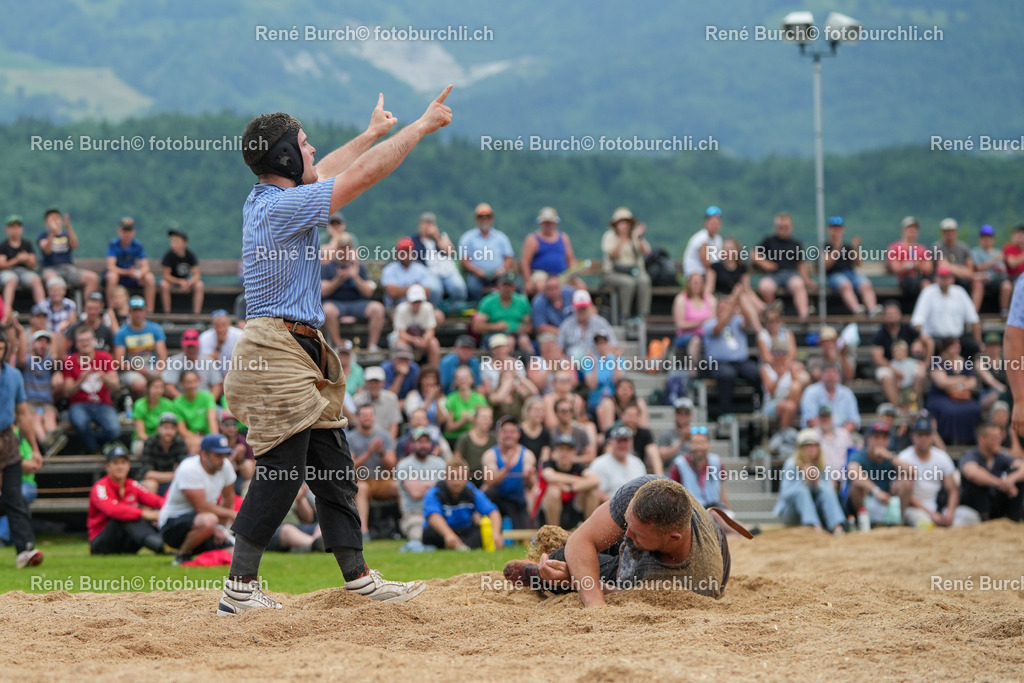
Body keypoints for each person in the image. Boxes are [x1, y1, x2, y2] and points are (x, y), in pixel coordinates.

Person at [219, 89, 451, 613]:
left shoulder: (271, 199)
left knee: (333, 467)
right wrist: (418, 126)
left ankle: (358, 577)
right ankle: (239, 589)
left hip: (295, 348)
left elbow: (326, 169)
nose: (311, 150)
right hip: (277, 349)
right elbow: (358, 177)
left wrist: (372, 133)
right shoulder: (281, 207)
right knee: (283, 469)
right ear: (283, 157)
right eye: (303, 143)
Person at [503, 475, 743, 605]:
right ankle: (588, 544)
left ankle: (543, 578)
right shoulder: (648, 491)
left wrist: (572, 580)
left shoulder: (691, 586)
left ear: (673, 537)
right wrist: (594, 605)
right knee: (589, 545)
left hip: (652, 572)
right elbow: (584, 541)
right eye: (630, 526)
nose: (627, 535)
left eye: (636, 533)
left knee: (562, 560)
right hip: (650, 540)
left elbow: (620, 596)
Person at [158, 433, 237, 565]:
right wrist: (231, 515)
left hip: (206, 522)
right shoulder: (189, 468)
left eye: (224, 455)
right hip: (172, 524)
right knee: (208, 520)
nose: (222, 459)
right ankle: (183, 555)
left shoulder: (225, 466)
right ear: (204, 455)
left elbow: (229, 498)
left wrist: (220, 528)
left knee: (236, 554)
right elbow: (201, 506)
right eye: (218, 455)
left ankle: (204, 553)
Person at [0, 333, 44, 568]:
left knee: (14, 497)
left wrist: (34, 447)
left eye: (1, 348)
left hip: (7, 439)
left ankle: (25, 550)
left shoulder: (14, 375)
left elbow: (23, 414)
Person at [897, 417, 976, 528]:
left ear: (932, 436)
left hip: (939, 507)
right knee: (924, 524)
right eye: (920, 435)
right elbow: (907, 493)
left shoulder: (941, 457)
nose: (923, 439)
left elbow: (953, 489)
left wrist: (950, 512)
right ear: (913, 436)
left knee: (971, 516)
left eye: (927, 434)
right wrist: (931, 514)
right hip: (916, 509)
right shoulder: (904, 457)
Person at [88, 444, 165, 555]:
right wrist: (144, 513)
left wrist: (165, 512)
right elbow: (113, 510)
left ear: (128, 466)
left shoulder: (132, 484)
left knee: (141, 518)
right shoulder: (100, 487)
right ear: (107, 467)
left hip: (127, 540)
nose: (120, 467)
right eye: (115, 463)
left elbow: (156, 500)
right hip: (103, 542)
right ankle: (160, 546)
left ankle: (166, 543)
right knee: (123, 517)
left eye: (123, 463)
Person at [423, 456, 504, 550]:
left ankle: (461, 546)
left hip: (464, 530)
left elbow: (493, 511)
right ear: (445, 477)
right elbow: (433, 516)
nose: (456, 482)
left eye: (460, 477)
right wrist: (448, 535)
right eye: (452, 477)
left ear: (466, 477)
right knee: (430, 533)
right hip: (443, 531)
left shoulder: (472, 491)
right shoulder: (435, 492)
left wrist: (496, 534)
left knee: (481, 531)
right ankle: (460, 546)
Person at [63, 326, 121, 454]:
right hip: (79, 404)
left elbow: (116, 386)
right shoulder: (70, 361)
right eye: (82, 341)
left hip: (103, 404)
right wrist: (80, 380)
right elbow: (67, 392)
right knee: (81, 424)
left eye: (88, 340)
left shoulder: (105, 357)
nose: (85, 344)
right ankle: (95, 450)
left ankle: (92, 447)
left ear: (94, 341)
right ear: (76, 344)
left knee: (114, 429)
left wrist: (104, 377)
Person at [773, 429, 845, 534]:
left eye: (814, 446)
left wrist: (817, 482)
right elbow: (785, 494)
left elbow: (830, 491)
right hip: (791, 513)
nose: (811, 449)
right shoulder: (791, 464)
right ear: (800, 449)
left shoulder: (823, 464)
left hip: (816, 510)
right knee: (801, 491)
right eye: (807, 446)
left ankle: (837, 526)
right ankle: (813, 527)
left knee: (827, 492)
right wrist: (804, 481)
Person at [701, 295, 762, 417]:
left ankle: (759, 404)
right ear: (717, 310)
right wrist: (732, 305)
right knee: (727, 375)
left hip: (740, 362)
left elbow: (749, 320)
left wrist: (741, 300)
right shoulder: (709, 324)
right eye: (722, 308)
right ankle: (724, 412)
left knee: (755, 372)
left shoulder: (738, 321)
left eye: (727, 308)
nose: (725, 311)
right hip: (717, 363)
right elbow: (718, 329)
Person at [320, 235, 385, 351]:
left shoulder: (359, 267)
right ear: (337, 250)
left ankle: (372, 345)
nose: (344, 252)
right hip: (335, 303)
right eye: (342, 248)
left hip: (357, 303)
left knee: (378, 308)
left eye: (347, 248)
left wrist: (355, 277)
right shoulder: (328, 267)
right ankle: (338, 344)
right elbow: (323, 291)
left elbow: (368, 293)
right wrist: (339, 279)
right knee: (327, 310)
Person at [348, 403, 398, 543]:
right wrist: (369, 453)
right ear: (358, 418)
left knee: (399, 486)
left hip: (382, 479)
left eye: (369, 415)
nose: (367, 418)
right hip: (362, 480)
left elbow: (392, 466)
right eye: (363, 415)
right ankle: (364, 531)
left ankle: (403, 526)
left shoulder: (384, 436)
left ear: (374, 417)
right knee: (361, 488)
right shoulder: (350, 438)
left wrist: (381, 452)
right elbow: (350, 467)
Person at [845, 422, 914, 524]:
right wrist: (876, 491)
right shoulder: (860, 455)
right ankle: (864, 522)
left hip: (887, 500)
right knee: (856, 486)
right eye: (876, 438)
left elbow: (912, 472)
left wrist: (890, 457)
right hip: (867, 499)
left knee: (906, 482)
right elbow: (853, 472)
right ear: (869, 439)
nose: (880, 442)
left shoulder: (890, 456)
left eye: (884, 438)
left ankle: (898, 521)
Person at [753, 212, 815, 319]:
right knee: (765, 287)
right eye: (780, 227)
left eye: (785, 227)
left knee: (798, 285)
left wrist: (806, 280)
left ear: (791, 227)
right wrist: (765, 263)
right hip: (773, 275)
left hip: (791, 274)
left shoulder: (796, 244)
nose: (782, 230)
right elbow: (754, 253)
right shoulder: (769, 240)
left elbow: (801, 264)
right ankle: (772, 314)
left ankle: (804, 314)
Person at [959, 422, 1024, 523]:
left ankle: (1014, 519)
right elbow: (972, 473)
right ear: (982, 440)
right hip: (974, 509)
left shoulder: (1000, 456)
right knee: (980, 481)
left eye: (999, 437)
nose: (999, 441)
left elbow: (1022, 467)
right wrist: (1001, 483)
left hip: (997, 508)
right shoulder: (971, 455)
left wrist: (1011, 480)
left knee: (1015, 473)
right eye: (994, 438)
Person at [480, 417, 537, 529]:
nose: (508, 435)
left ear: (518, 434)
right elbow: (489, 482)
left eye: (512, 432)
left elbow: (530, 486)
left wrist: (529, 477)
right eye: (505, 432)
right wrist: (507, 468)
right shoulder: (490, 454)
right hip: (496, 499)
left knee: (532, 494)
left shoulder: (527, 455)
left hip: (516, 500)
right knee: (486, 492)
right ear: (499, 434)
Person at [396, 427, 447, 546]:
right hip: (415, 514)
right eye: (420, 442)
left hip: (439, 513)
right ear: (412, 444)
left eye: (426, 442)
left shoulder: (440, 463)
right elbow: (416, 493)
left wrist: (422, 484)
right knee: (421, 539)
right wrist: (437, 484)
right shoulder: (404, 465)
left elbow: (446, 488)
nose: (424, 445)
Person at [925, 337, 982, 445]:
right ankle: (949, 440)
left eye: (958, 346)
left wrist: (957, 387)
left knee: (974, 409)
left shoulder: (964, 361)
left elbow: (973, 382)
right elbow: (942, 382)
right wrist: (962, 379)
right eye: (953, 346)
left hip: (962, 397)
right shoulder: (938, 361)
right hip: (940, 397)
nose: (956, 348)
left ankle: (968, 440)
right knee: (949, 411)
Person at [536, 433, 600, 528]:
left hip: (573, 509)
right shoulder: (548, 464)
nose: (564, 453)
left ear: (574, 452)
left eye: (568, 450)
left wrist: (571, 488)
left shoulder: (578, 467)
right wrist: (580, 481)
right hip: (548, 513)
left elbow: (596, 480)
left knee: (592, 492)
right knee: (553, 491)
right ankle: (553, 534)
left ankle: (589, 531)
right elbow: (551, 477)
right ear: (556, 451)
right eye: (561, 449)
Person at [871, 300, 926, 409]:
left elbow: (927, 341)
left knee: (920, 373)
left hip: (908, 363)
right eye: (889, 314)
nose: (891, 316)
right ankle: (897, 408)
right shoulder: (880, 334)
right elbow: (877, 358)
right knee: (885, 376)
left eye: (894, 313)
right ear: (884, 316)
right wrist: (894, 370)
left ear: (900, 314)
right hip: (889, 365)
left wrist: (925, 359)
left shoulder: (907, 329)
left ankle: (913, 406)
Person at [601, 206, 652, 319]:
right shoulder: (609, 236)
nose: (624, 225)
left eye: (626, 222)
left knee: (644, 280)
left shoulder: (635, 236)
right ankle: (624, 315)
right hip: (613, 273)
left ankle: (643, 315)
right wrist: (621, 238)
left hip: (633, 272)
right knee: (628, 283)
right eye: (621, 222)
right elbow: (613, 255)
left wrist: (640, 237)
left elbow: (646, 252)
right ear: (616, 224)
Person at [823, 216, 881, 315]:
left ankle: (872, 310)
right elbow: (825, 265)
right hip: (834, 275)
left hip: (851, 273)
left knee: (865, 284)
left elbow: (859, 263)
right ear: (829, 230)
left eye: (838, 228)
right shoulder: (825, 246)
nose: (836, 231)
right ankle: (856, 309)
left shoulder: (848, 247)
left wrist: (855, 248)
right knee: (845, 284)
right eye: (834, 228)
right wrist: (836, 249)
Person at [459, 202, 516, 302]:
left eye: (487, 217)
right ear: (476, 220)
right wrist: (478, 271)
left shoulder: (501, 237)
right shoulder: (467, 238)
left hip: (499, 274)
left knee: (513, 286)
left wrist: (502, 270)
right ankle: (478, 310)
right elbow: (465, 260)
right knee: (473, 287)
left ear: (492, 219)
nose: (484, 220)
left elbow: (509, 257)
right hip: (477, 275)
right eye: (481, 217)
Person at [410, 211, 467, 310]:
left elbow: (450, 251)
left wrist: (436, 237)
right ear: (420, 225)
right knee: (435, 290)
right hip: (429, 271)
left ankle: (456, 310)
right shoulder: (414, 240)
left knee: (459, 287)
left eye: (431, 223)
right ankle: (436, 311)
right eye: (426, 223)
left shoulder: (442, 237)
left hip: (448, 271)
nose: (429, 226)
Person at [113, 295, 168, 398]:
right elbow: (118, 362)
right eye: (134, 311)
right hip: (131, 370)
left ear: (145, 312)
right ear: (129, 312)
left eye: (140, 310)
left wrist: (157, 372)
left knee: (167, 382)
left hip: (153, 367)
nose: (137, 314)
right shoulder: (121, 333)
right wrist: (136, 367)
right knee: (140, 385)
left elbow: (162, 355)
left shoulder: (156, 329)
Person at [37, 208, 99, 298]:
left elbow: (75, 245)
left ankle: (89, 308)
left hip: (68, 268)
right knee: (55, 283)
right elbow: (47, 250)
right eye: (51, 219)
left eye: (57, 218)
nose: (55, 222)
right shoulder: (43, 236)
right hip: (51, 269)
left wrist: (68, 227)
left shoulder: (66, 235)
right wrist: (52, 233)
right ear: (46, 223)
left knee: (93, 278)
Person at [669, 426, 731, 514]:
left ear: (709, 444)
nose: (699, 447)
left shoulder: (716, 462)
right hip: (691, 511)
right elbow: (674, 494)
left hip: (715, 508)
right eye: (695, 443)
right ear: (689, 444)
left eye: (702, 443)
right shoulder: (679, 464)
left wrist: (728, 511)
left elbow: (722, 491)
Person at [521, 207, 579, 297]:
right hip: (541, 275)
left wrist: (572, 273)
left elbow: (570, 259)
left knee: (580, 286)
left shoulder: (563, 238)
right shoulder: (532, 239)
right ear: (541, 223)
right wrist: (528, 281)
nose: (548, 225)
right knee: (542, 286)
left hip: (561, 275)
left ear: (555, 223)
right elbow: (525, 262)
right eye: (545, 223)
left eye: (550, 223)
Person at [472, 272, 533, 354]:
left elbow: (529, 326)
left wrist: (522, 330)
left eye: (510, 286)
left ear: (514, 287)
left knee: (524, 341)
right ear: (498, 286)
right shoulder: (488, 301)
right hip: (494, 334)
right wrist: (495, 326)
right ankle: (507, 365)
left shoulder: (522, 301)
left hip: (517, 335)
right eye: (505, 285)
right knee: (509, 341)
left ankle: (531, 363)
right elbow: (476, 327)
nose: (507, 289)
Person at [705, 236, 763, 321]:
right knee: (743, 299)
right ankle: (764, 312)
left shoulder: (742, 268)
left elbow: (747, 289)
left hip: (738, 299)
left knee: (744, 297)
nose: (728, 252)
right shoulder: (715, 267)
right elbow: (709, 288)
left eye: (731, 249)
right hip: (720, 298)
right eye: (726, 249)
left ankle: (763, 309)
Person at [105, 217, 156, 312]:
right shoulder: (114, 244)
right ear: (119, 231)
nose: (127, 234)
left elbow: (145, 266)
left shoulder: (138, 245)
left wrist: (139, 273)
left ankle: (149, 311)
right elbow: (111, 267)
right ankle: (110, 309)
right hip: (120, 275)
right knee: (112, 276)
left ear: (133, 232)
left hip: (132, 276)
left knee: (149, 278)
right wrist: (127, 272)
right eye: (124, 231)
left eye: (129, 231)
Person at [1, 215, 44, 322]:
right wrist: (17, 259)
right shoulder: (3, 245)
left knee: (36, 280)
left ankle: (43, 309)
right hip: (8, 271)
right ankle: (7, 309)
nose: (15, 230)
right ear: (7, 229)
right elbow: (1, 265)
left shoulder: (27, 244)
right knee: (11, 280)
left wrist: (26, 259)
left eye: (17, 227)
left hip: (25, 271)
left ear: (21, 229)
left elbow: (32, 263)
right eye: (12, 227)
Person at [588, 425, 648, 503]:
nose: (623, 445)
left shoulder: (637, 463)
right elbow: (598, 495)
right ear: (611, 442)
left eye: (625, 441)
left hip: (637, 507)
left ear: (631, 442)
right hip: (609, 508)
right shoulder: (599, 463)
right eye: (619, 441)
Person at [886, 216, 934, 305]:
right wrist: (913, 265)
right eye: (909, 228)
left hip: (921, 278)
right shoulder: (895, 247)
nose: (912, 231)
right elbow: (896, 268)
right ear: (903, 231)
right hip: (905, 279)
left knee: (929, 283)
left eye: (915, 229)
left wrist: (910, 265)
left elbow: (929, 268)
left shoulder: (922, 249)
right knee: (925, 285)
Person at [163, 328, 223, 400]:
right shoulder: (174, 361)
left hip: (204, 402)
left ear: (198, 346)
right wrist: (184, 402)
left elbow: (217, 385)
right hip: (182, 401)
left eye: (193, 347)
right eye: (189, 347)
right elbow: (169, 386)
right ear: (183, 346)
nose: (191, 350)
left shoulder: (209, 361)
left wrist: (209, 403)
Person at [557, 290, 616, 361]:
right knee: (574, 352)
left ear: (590, 307)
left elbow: (613, 346)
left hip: (597, 364)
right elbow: (559, 349)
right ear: (574, 308)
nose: (582, 311)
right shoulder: (566, 325)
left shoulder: (601, 323)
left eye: (584, 308)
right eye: (579, 308)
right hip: (573, 366)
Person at [391, 284, 441, 367]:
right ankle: (404, 372)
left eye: (419, 301)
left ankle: (434, 371)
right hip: (405, 339)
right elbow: (401, 333)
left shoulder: (428, 307)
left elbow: (430, 330)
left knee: (434, 343)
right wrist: (414, 340)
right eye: (414, 302)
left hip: (420, 339)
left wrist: (425, 339)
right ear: (408, 301)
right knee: (401, 345)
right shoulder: (401, 309)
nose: (416, 304)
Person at [800, 363, 860, 432]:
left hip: (844, 432)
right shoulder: (811, 392)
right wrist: (829, 434)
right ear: (821, 375)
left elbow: (853, 421)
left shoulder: (847, 393)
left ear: (839, 376)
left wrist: (841, 435)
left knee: (858, 441)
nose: (830, 377)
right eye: (827, 374)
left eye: (833, 373)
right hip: (817, 432)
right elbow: (810, 421)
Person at [139, 412, 188, 495]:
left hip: (171, 483)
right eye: (165, 427)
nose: (168, 431)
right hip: (152, 482)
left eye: (172, 428)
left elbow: (183, 471)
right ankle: (150, 508)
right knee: (151, 484)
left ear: (176, 430)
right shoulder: (150, 442)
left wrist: (174, 475)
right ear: (159, 428)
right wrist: (174, 475)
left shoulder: (180, 443)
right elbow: (147, 474)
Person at [173, 369, 219, 453]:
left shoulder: (207, 397)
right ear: (182, 383)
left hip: (207, 435)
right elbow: (182, 430)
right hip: (190, 438)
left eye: (194, 381)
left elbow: (212, 420)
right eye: (188, 382)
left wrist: (214, 438)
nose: (192, 385)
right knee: (194, 444)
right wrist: (198, 439)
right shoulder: (177, 403)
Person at [932, 218, 979, 302]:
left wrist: (952, 267)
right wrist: (962, 269)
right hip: (943, 280)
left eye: (952, 231)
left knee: (977, 283)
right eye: (947, 231)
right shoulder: (937, 247)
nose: (950, 233)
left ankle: (973, 313)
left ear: (956, 232)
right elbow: (943, 267)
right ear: (942, 233)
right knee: (947, 280)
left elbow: (970, 272)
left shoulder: (964, 248)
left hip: (962, 280)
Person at [160, 228, 204, 314]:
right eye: (172, 241)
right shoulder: (169, 255)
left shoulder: (190, 255)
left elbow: (197, 274)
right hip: (172, 281)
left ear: (185, 243)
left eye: (176, 241)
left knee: (199, 285)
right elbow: (166, 275)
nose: (173, 244)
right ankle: (167, 314)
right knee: (164, 285)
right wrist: (180, 282)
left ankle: (196, 315)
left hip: (186, 281)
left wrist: (189, 282)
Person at [972, 224, 1012, 316]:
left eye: (989, 237)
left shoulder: (998, 252)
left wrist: (1001, 269)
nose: (987, 240)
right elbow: (977, 267)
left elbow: (1003, 269)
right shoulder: (976, 252)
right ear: (979, 239)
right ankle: (974, 314)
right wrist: (993, 261)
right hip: (983, 279)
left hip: (997, 279)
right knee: (978, 283)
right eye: (984, 237)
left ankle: (1004, 311)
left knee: (1007, 285)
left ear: (993, 239)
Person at [672, 273, 714, 359]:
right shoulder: (681, 299)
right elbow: (680, 324)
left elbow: (713, 321)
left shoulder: (710, 299)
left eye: (700, 282)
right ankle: (694, 370)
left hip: (706, 335)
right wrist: (700, 323)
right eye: (695, 282)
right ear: (689, 284)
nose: (697, 285)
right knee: (695, 341)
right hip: (685, 336)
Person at [353, 367, 403, 440]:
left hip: (385, 440)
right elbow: (356, 424)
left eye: (377, 382)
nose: (373, 385)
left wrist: (389, 445)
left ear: (383, 383)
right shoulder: (357, 399)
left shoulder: (392, 399)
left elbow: (394, 425)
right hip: (363, 440)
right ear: (366, 383)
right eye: (370, 382)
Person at [443, 366, 488, 445]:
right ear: (455, 381)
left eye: (466, 377)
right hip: (455, 438)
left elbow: (485, 424)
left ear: (472, 379)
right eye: (459, 378)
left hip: (475, 437)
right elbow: (449, 427)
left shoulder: (480, 399)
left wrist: (471, 419)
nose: (463, 380)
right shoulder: (450, 399)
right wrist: (464, 420)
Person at [132, 376, 175, 455]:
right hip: (145, 440)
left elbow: (172, 428)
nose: (158, 390)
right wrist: (156, 443)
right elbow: (141, 434)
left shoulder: (169, 404)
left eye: (161, 387)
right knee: (144, 447)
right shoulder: (139, 405)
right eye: (155, 387)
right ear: (148, 388)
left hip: (165, 439)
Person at [453, 404, 496, 482]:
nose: (487, 421)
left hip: (490, 478)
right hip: (469, 478)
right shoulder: (464, 438)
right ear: (475, 419)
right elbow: (457, 461)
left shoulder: (494, 438)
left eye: (490, 418)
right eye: (484, 418)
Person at [199, 309, 244, 379]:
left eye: (224, 325)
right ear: (213, 326)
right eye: (217, 326)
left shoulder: (239, 335)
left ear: (229, 324)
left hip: (236, 374)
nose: (221, 329)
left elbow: (243, 359)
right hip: (214, 377)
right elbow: (206, 362)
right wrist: (218, 345)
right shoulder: (205, 337)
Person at [682, 206, 724, 279]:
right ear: (705, 223)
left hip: (708, 273)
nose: (715, 226)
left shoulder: (718, 239)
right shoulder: (702, 238)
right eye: (713, 223)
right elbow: (706, 263)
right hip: (696, 273)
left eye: (717, 223)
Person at [531, 273, 576, 337]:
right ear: (545, 289)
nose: (553, 291)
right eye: (550, 288)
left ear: (560, 287)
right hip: (553, 333)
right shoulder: (538, 302)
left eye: (556, 288)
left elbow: (585, 309)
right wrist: (562, 333)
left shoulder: (571, 293)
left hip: (573, 329)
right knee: (547, 337)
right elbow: (541, 327)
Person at [657, 397, 694, 469]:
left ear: (690, 415)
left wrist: (693, 440)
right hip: (671, 473)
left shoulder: (696, 435)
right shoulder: (666, 434)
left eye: (686, 413)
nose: (683, 416)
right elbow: (661, 456)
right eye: (679, 413)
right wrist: (681, 442)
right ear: (675, 415)